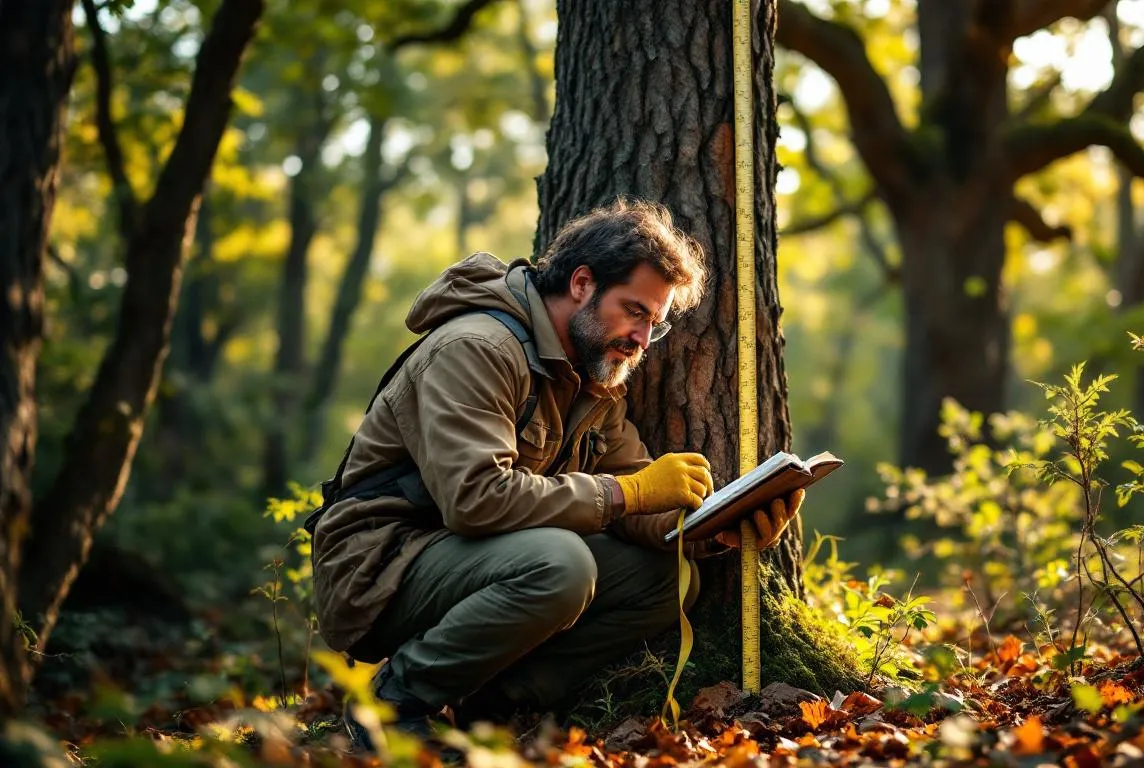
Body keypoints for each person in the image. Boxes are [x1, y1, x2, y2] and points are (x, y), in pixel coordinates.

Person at [308, 198, 805, 748]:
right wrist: (630, 491)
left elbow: (638, 502)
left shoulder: (595, 377)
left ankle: (493, 707)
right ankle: (393, 704)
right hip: (381, 565)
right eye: (635, 311)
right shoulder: (477, 348)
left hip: (478, 560)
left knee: (665, 580)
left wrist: (715, 530)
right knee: (562, 566)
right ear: (582, 283)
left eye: (655, 325)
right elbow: (477, 500)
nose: (642, 339)